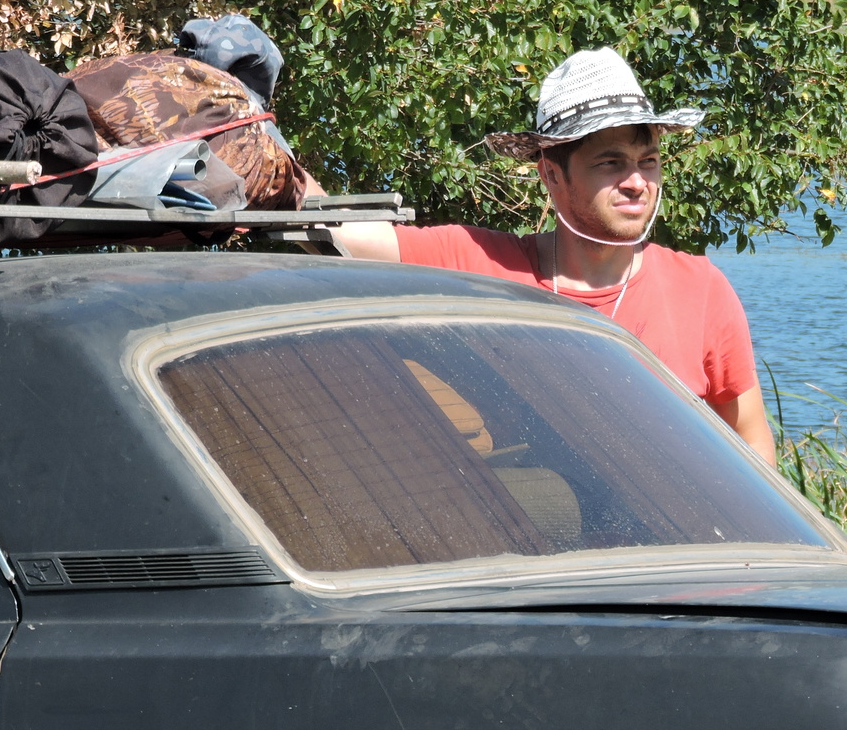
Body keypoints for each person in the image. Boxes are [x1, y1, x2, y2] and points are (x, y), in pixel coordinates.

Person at [330, 47, 776, 464]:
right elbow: (343, 231)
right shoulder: (489, 267)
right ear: (552, 174)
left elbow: (751, 440)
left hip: (670, 545)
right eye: (611, 163)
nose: (637, 181)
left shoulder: (698, 289)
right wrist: (265, 154)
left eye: (649, 161)